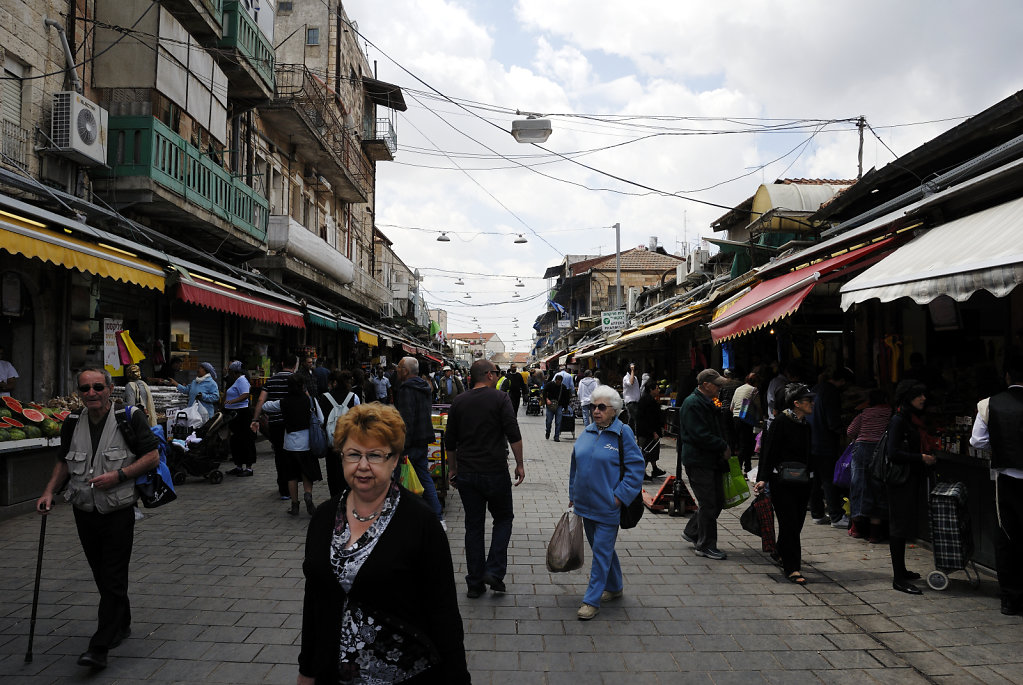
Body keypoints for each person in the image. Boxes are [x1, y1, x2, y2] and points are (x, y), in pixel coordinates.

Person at [297, 403, 470, 684]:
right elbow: (314, 600)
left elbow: (444, 613)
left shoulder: (420, 522)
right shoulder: (324, 517)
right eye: (353, 454)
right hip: (332, 673)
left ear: (395, 459)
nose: (363, 466)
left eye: (375, 455)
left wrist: (458, 679)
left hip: (405, 674)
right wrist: (306, 670)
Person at [36, 368, 160, 671]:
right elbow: (64, 461)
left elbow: (152, 456)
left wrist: (120, 474)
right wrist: (49, 492)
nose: (91, 393)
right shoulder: (72, 422)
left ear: (110, 388)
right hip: (84, 509)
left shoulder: (128, 417)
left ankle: (99, 647)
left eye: (97, 387)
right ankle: (122, 622)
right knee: (102, 574)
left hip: (118, 510)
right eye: (85, 388)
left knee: (113, 574)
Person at [447, 359, 525, 598]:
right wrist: (520, 464)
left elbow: (450, 442)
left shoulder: (458, 402)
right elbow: (513, 433)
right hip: (495, 471)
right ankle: (494, 570)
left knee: (473, 526)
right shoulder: (500, 399)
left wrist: (452, 469)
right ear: (489, 375)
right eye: (496, 372)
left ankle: (474, 583)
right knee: (503, 518)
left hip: (468, 473)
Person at [568, 384, 644, 620]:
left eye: (602, 407)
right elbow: (575, 465)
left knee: (600, 552)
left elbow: (636, 467)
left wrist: (619, 496)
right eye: (593, 406)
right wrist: (573, 493)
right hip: (584, 505)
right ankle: (615, 586)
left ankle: (591, 600)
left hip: (608, 507)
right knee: (602, 549)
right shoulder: (589, 431)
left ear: (615, 410)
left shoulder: (623, 434)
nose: (596, 411)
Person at [970, 356, 1023, 616]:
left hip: (1006, 477)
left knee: (1007, 537)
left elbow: (977, 441)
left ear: (1007, 377)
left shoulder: (988, 404)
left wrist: (1000, 443)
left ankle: (1011, 598)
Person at [754, 383, 815, 585]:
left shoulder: (806, 424)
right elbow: (768, 451)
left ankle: (781, 551)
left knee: (796, 523)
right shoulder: (781, 422)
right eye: (809, 401)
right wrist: (762, 478)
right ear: (796, 403)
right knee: (789, 524)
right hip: (782, 482)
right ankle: (792, 568)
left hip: (802, 481)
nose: (812, 404)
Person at [885, 381, 937, 595]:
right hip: (900, 481)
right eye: (918, 395)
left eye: (924, 394)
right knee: (898, 527)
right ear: (908, 397)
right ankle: (898, 578)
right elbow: (893, 453)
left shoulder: (911, 419)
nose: (923, 398)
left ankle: (902, 571)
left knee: (904, 525)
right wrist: (920, 458)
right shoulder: (898, 420)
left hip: (910, 479)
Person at [679, 368, 730, 560]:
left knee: (716, 501)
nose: (719, 388)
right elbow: (699, 434)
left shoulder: (706, 402)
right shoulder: (692, 403)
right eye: (716, 385)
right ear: (705, 385)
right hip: (699, 460)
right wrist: (722, 445)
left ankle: (693, 530)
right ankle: (706, 544)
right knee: (709, 503)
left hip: (709, 459)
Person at [260, 374, 324, 516]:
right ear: (303, 386)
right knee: (306, 473)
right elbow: (321, 419)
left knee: (291, 476)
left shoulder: (283, 402)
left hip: (289, 444)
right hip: (307, 444)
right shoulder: (310, 400)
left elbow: (265, 406)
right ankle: (308, 495)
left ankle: (294, 505)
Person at [394, 356, 445, 526]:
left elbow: (406, 420)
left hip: (410, 443)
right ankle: (437, 517)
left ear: (406, 371)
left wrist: (401, 446)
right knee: (424, 477)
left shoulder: (407, 389)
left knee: (397, 479)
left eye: (400, 367)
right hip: (423, 439)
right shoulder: (424, 387)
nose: (397, 370)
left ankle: (398, 516)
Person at [809, 367, 853, 528]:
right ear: (842, 381)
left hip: (812, 441)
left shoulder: (816, 388)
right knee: (829, 480)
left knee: (815, 480)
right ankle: (836, 516)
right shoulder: (831, 392)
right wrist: (844, 431)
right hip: (825, 442)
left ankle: (817, 514)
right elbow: (832, 421)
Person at [846, 389, 892, 541]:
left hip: (862, 450)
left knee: (859, 487)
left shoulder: (865, 413)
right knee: (878, 489)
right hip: (881, 451)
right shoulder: (890, 413)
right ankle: (874, 533)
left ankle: (856, 528)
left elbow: (850, 431)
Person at [251, 356, 298, 499]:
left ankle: (283, 488)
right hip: (292, 424)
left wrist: (255, 418)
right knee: (292, 455)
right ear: (295, 365)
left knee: (279, 455)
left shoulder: (271, 380)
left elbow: (260, 399)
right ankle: (292, 488)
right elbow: (306, 399)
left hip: (276, 424)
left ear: (282, 363)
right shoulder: (296, 380)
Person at [316, 369, 361, 496]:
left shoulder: (324, 398)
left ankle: (334, 498)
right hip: (349, 441)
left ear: (334, 383)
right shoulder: (353, 397)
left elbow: (321, 420)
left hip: (332, 441)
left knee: (332, 471)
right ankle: (347, 496)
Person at [223, 360, 256, 477]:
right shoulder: (236, 380)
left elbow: (245, 394)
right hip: (234, 413)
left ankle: (248, 467)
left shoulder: (242, 380)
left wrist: (232, 401)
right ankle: (238, 465)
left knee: (245, 439)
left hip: (242, 413)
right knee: (236, 440)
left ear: (234, 371)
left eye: (230, 370)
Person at [729, 372, 760, 475]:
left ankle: (747, 468)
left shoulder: (738, 389)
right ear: (756, 382)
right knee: (745, 445)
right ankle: (737, 470)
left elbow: (731, 408)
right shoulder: (754, 390)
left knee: (743, 444)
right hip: (746, 419)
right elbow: (758, 406)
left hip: (735, 418)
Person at [636, 381, 666, 480]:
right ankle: (641, 472)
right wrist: (653, 432)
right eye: (656, 388)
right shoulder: (647, 401)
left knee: (652, 451)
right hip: (647, 432)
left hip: (648, 431)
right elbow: (648, 419)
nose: (658, 390)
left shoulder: (648, 399)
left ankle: (655, 468)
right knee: (646, 452)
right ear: (651, 390)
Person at [544, 373, 569, 442]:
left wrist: (565, 407)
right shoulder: (549, 385)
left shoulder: (563, 387)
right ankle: (548, 431)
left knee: (558, 422)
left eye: (559, 381)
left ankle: (556, 436)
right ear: (555, 380)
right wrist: (547, 399)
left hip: (559, 406)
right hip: (550, 406)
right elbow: (544, 392)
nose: (558, 382)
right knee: (549, 421)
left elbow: (566, 398)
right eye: (557, 381)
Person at [621, 363, 641, 429]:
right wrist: (632, 370)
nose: (638, 372)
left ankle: (628, 434)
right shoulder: (626, 378)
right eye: (636, 371)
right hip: (631, 402)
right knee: (636, 420)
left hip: (636, 401)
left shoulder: (635, 378)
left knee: (632, 420)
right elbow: (631, 383)